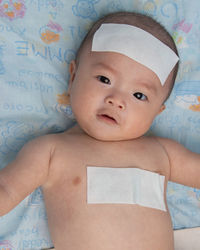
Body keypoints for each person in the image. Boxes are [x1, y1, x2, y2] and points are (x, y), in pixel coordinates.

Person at [0, 11, 199, 250]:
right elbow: (7, 189)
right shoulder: (52, 151)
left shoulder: (164, 152)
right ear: (73, 77)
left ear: (157, 111)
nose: (116, 100)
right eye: (104, 79)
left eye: (139, 95)